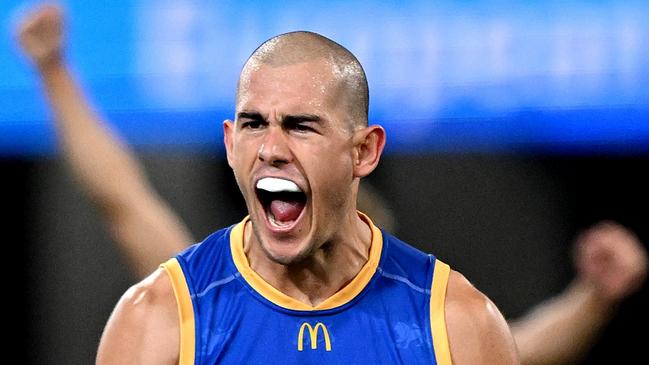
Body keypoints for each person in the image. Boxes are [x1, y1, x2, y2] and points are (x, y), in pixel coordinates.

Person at [17, 4, 647, 365]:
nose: (275, 151)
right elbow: (121, 196)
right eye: (257, 126)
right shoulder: (173, 313)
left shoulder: (443, 320)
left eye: (304, 129)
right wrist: (53, 73)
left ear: (363, 157)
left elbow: (520, 348)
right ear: (232, 143)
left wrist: (594, 298)